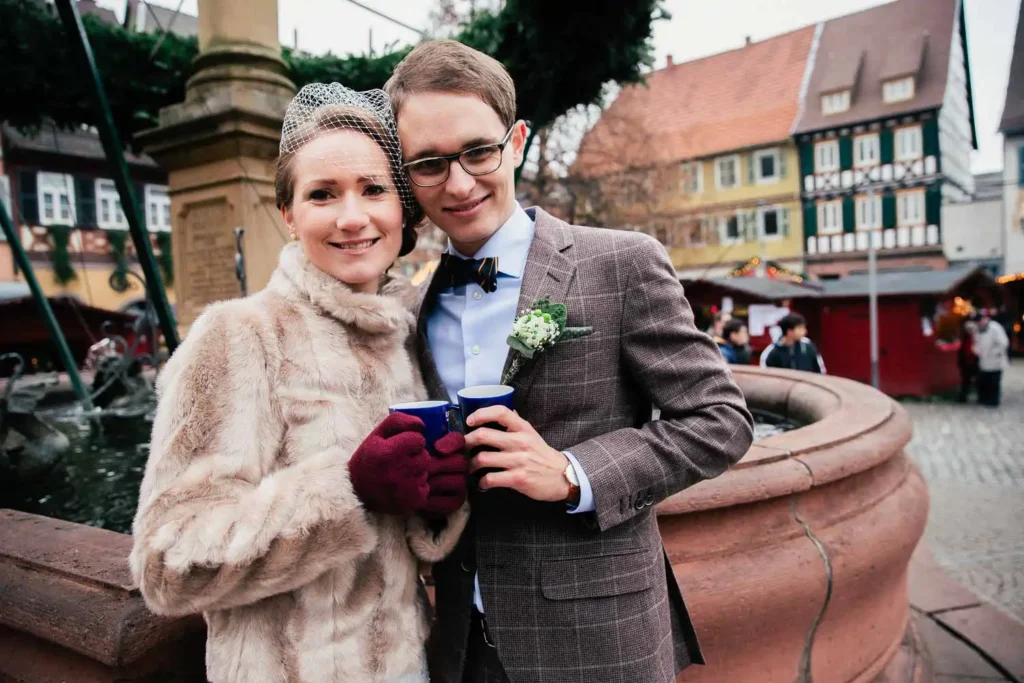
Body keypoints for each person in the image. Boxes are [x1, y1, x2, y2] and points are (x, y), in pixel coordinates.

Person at [386, 40, 754, 683]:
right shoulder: (413, 308)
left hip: (598, 641)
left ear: (518, 140)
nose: (460, 182)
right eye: (430, 164)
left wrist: (572, 471)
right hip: (458, 645)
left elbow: (720, 419)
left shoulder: (622, 262)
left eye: (478, 151)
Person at [129, 85, 472, 683]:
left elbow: (397, 549)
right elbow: (166, 563)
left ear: (402, 208)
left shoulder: (405, 335)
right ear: (288, 215)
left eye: (373, 189)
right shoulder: (238, 336)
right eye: (322, 194)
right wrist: (347, 488)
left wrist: (436, 504)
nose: (352, 216)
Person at [760, 313, 825, 374]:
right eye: (800, 328)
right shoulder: (771, 352)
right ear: (789, 332)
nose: (805, 331)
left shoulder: (808, 346)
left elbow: (820, 370)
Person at [974, 309, 1009, 407]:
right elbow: (976, 342)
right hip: (983, 361)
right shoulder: (978, 329)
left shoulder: (995, 328)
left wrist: (993, 352)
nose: (979, 322)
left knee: (994, 382)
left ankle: (993, 401)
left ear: (986, 319)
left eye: (981, 320)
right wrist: (977, 350)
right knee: (984, 381)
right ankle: (984, 399)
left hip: (995, 361)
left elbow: (1003, 343)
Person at [957, 316, 979, 403]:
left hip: (975, 362)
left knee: (977, 381)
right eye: (969, 329)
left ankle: (979, 396)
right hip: (966, 362)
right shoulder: (964, 339)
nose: (970, 330)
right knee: (965, 381)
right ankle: (963, 397)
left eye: (972, 329)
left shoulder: (977, 338)